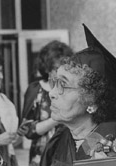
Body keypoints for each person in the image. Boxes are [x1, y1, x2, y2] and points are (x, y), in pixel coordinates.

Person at [40, 24, 116, 166]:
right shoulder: (57, 141)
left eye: (63, 84)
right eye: (54, 82)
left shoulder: (110, 148)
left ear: (92, 103)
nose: (52, 93)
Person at [17, 40, 73, 166]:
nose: (59, 72)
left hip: (67, 154)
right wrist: (56, 120)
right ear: (47, 68)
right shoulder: (35, 89)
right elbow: (27, 131)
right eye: (55, 68)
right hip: (41, 156)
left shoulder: (70, 89)